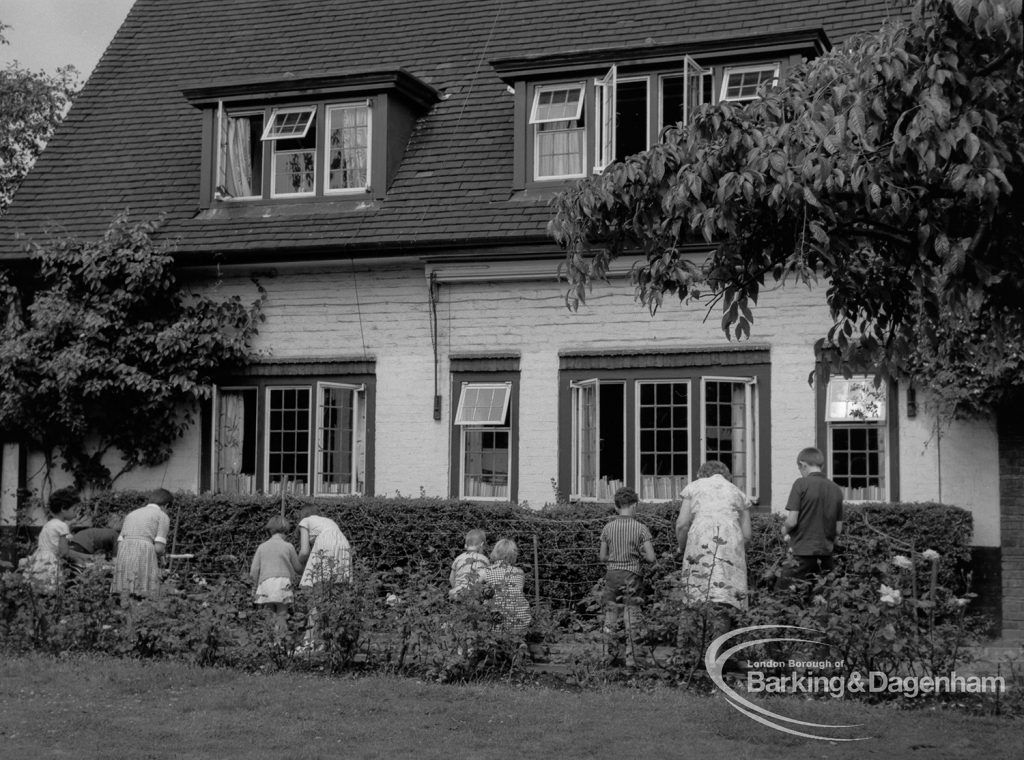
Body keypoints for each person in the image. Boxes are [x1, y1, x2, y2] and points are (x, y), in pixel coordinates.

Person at [675, 460, 752, 646]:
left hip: (699, 545)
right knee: (722, 600)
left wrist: (682, 547)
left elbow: (682, 524)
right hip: (728, 548)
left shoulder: (694, 487)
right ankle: (715, 657)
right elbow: (747, 534)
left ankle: (685, 655)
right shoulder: (737, 492)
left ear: (702, 474)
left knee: (692, 597)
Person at [599, 486, 656, 666]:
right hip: (632, 575)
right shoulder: (640, 528)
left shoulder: (608, 528)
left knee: (611, 615)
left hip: (612, 574)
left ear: (616, 507)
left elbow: (602, 557)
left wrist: (614, 558)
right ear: (634, 505)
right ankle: (633, 660)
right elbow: (651, 557)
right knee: (632, 616)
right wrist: (640, 556)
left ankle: (609, 655)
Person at [774, 446, 844, 591]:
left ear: (802, 464)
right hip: (825, 555)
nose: (800, 471)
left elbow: (792, 520)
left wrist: (784, 529)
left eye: (799, 468)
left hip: (802, 552)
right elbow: (838, 529)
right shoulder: (836, 489)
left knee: (782, 594)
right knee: (821, 600)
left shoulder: (801, 483)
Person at [111, 488, 172, 599]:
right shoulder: (162, 516)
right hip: (144, 550)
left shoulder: (132, 514)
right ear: (166, 505)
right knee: (142, 592)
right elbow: (158, 548)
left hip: (124, 549)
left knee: (125, 590)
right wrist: (162, 556)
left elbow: (120, 540)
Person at [250, 515, 303, 635]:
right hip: (283, 583)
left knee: (269, 613)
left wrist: (253, 586)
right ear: (285, 530)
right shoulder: (288, 546)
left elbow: (254, 570)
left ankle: (269, 641)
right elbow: (298, 568)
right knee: (282, 614)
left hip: (265, 583)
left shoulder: (262, 547)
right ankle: (281, 642)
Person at [21, 487, 80, 594]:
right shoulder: (62, 526)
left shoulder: (49, 524)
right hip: (50, 562)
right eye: (74, 510)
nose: (76, 513)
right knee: (51, 590)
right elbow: (64, 552)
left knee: (38, 590)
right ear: (63, 508)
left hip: (39, 560)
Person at [478, 538, 531, 635]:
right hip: (521, 622)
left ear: (495, 552)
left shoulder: (486, 572)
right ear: (514, 555)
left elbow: (473, 590)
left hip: (496, 623)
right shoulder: (520, 572)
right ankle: (518, 641)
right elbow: (519, 592)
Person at [297, 505, 352, 587]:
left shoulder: (305, 521)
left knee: (321, 580)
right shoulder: (329, 520)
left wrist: (297, 563)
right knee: (340, 580)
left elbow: (304, 551)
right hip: (344, 543)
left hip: (326, 541)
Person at [449, 528, 489, 599]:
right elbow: (486, 579)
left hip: (457, 593)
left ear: (465, 545)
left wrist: (456, 588)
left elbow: (451, 578)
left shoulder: (458, 558)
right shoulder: (485, 560)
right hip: (474, 595)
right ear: (482, 545)